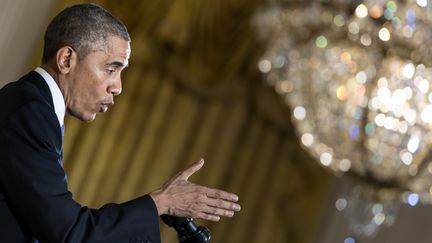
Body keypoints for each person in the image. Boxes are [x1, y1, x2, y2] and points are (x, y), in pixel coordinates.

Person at [0, 3, 241, 243]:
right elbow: (71, 234)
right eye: (111, 69)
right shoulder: (29, 112)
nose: (117, 87)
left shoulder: (32, 106)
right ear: (66, 60)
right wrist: (162, 202)